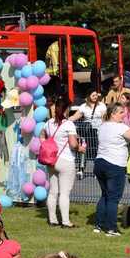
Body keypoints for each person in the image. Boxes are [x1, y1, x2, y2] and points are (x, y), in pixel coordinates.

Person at [94, 103, 130, 236]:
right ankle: (111, 229)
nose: (124, 114)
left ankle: (98, 225)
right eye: (121, 112)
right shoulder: (120, 127)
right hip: (114, 165)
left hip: (99, 163)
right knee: (114, 198)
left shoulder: (102, 126)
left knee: (105, 195)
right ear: (113, 114)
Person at [40, 97, 86, 228]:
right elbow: (73, 144)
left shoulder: (48, 123)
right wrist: (80, 148)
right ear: (66, 110)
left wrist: (47, 145)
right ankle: (66, 222)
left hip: (51, 160)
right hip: (65, 161)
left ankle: (52, 219)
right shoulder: (69, 125)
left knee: (53, 191)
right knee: (65, 193)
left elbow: (42, 135)